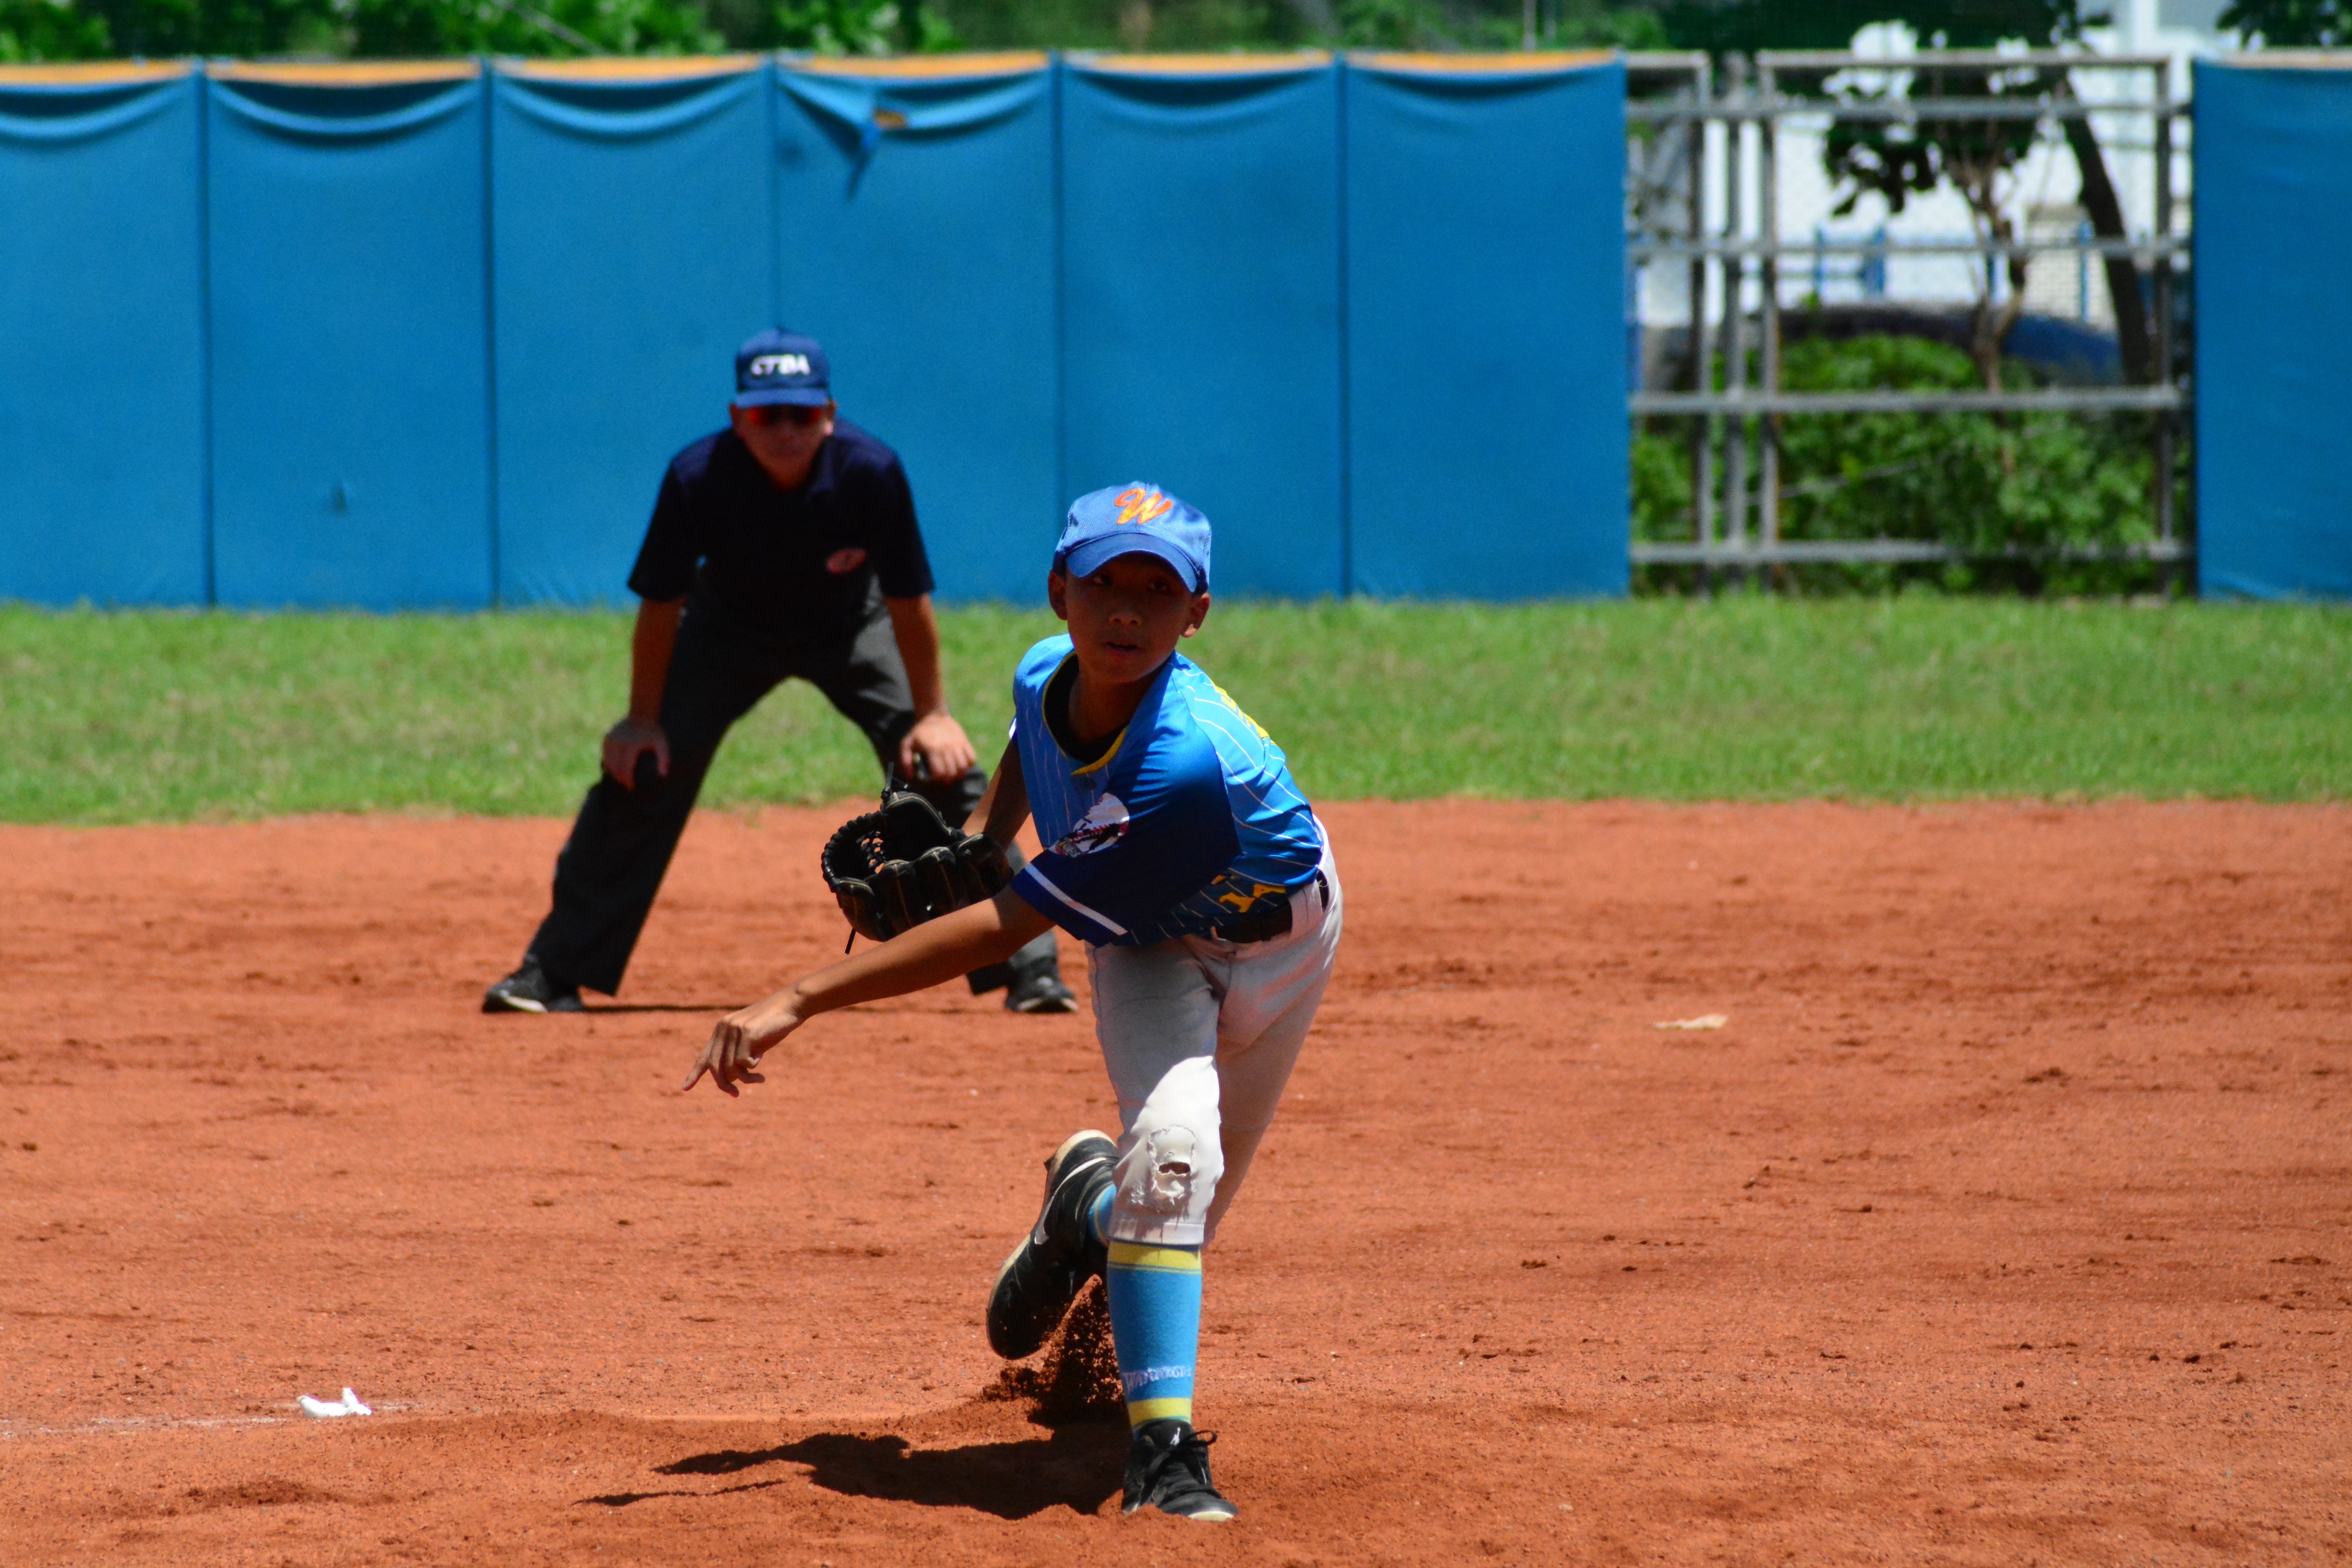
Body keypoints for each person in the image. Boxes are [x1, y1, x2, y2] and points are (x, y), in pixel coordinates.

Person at [682, 483, 1341, 1523]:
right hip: (1149, 947)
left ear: (1198, 612)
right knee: (1174, 1161)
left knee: (1182, 1220)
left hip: (1284, 950)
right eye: (1102, 585)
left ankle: (1083, 1204)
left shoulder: (1188, 761)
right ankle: (1163, 1460)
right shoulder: (1047, 674)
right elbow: (1036, 759)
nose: (1125, 613)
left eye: (1155, 592)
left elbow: (1005, 929)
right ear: (1058, 592)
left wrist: (798, 996)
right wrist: (985, 840)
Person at [484, 328, 1073, 1016]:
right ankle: (552, 970)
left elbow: (910, 602)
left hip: (854, 627)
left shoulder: (869, 470)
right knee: (645, 768)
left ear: (829, 413)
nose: (786, 430)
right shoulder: (696, 476)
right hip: (726, 632)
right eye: (768, 415)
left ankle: (1029, 969)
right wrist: (642, 720)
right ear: (738, 418)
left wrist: (932, 714)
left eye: (802, 414)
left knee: (941, 773)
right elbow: (661, 606)